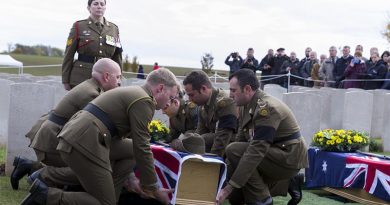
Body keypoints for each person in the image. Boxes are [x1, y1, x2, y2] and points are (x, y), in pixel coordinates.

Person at [21, 68, 178, 205]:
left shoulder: (136, 93)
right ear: (160, 88)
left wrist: (130, 178)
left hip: (81, 138)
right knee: (104, 202)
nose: (169, 104)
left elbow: (128, 145)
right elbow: (141, 146)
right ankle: (46, 195)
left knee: (129, 150)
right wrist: (153, 188)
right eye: (171, 98)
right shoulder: (144, 101)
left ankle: (113, 191)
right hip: (85, 142)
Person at [11, 58, 121, 190]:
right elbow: (97, 130)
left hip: (52, 134)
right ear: (107, 76)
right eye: (118, 77)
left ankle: (29, 166)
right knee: (92, 168)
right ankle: (42, 175)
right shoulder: (92, 94)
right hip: (51, 141)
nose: (120, 82)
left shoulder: (90, 86)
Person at [216, 69, 308, 205]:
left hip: (289, 158)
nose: (230, 95)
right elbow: (241, 140)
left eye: (233, 90)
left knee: (234, 150)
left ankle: (262, 199)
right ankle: (287, 183)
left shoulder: (267, 109)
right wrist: (225, 180)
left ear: (247, 89)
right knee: (237, 196)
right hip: (273, 154)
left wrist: (228, 188)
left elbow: (256, 151)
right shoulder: (244, 106)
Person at [62, 0, 122, 91]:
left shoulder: (114, 29)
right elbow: (68, 55)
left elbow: (117, 56)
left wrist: (119, 78)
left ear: (105, 7)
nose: (99, 6)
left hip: (106, 79)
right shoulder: (79, 26)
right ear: (89, 8)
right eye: (95, 4)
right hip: (81, 77)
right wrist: (65, 80)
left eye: (102, 4)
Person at [183, 70, 237, 157]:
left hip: (232, 144)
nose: (189, 100)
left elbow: (223, 138)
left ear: (203, 89)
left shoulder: (224, 102)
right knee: (195, 138)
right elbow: (199, 132)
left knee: (205, 139)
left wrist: (212, 161)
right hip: (219, 141)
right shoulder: (203, 104)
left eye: (191, 95)